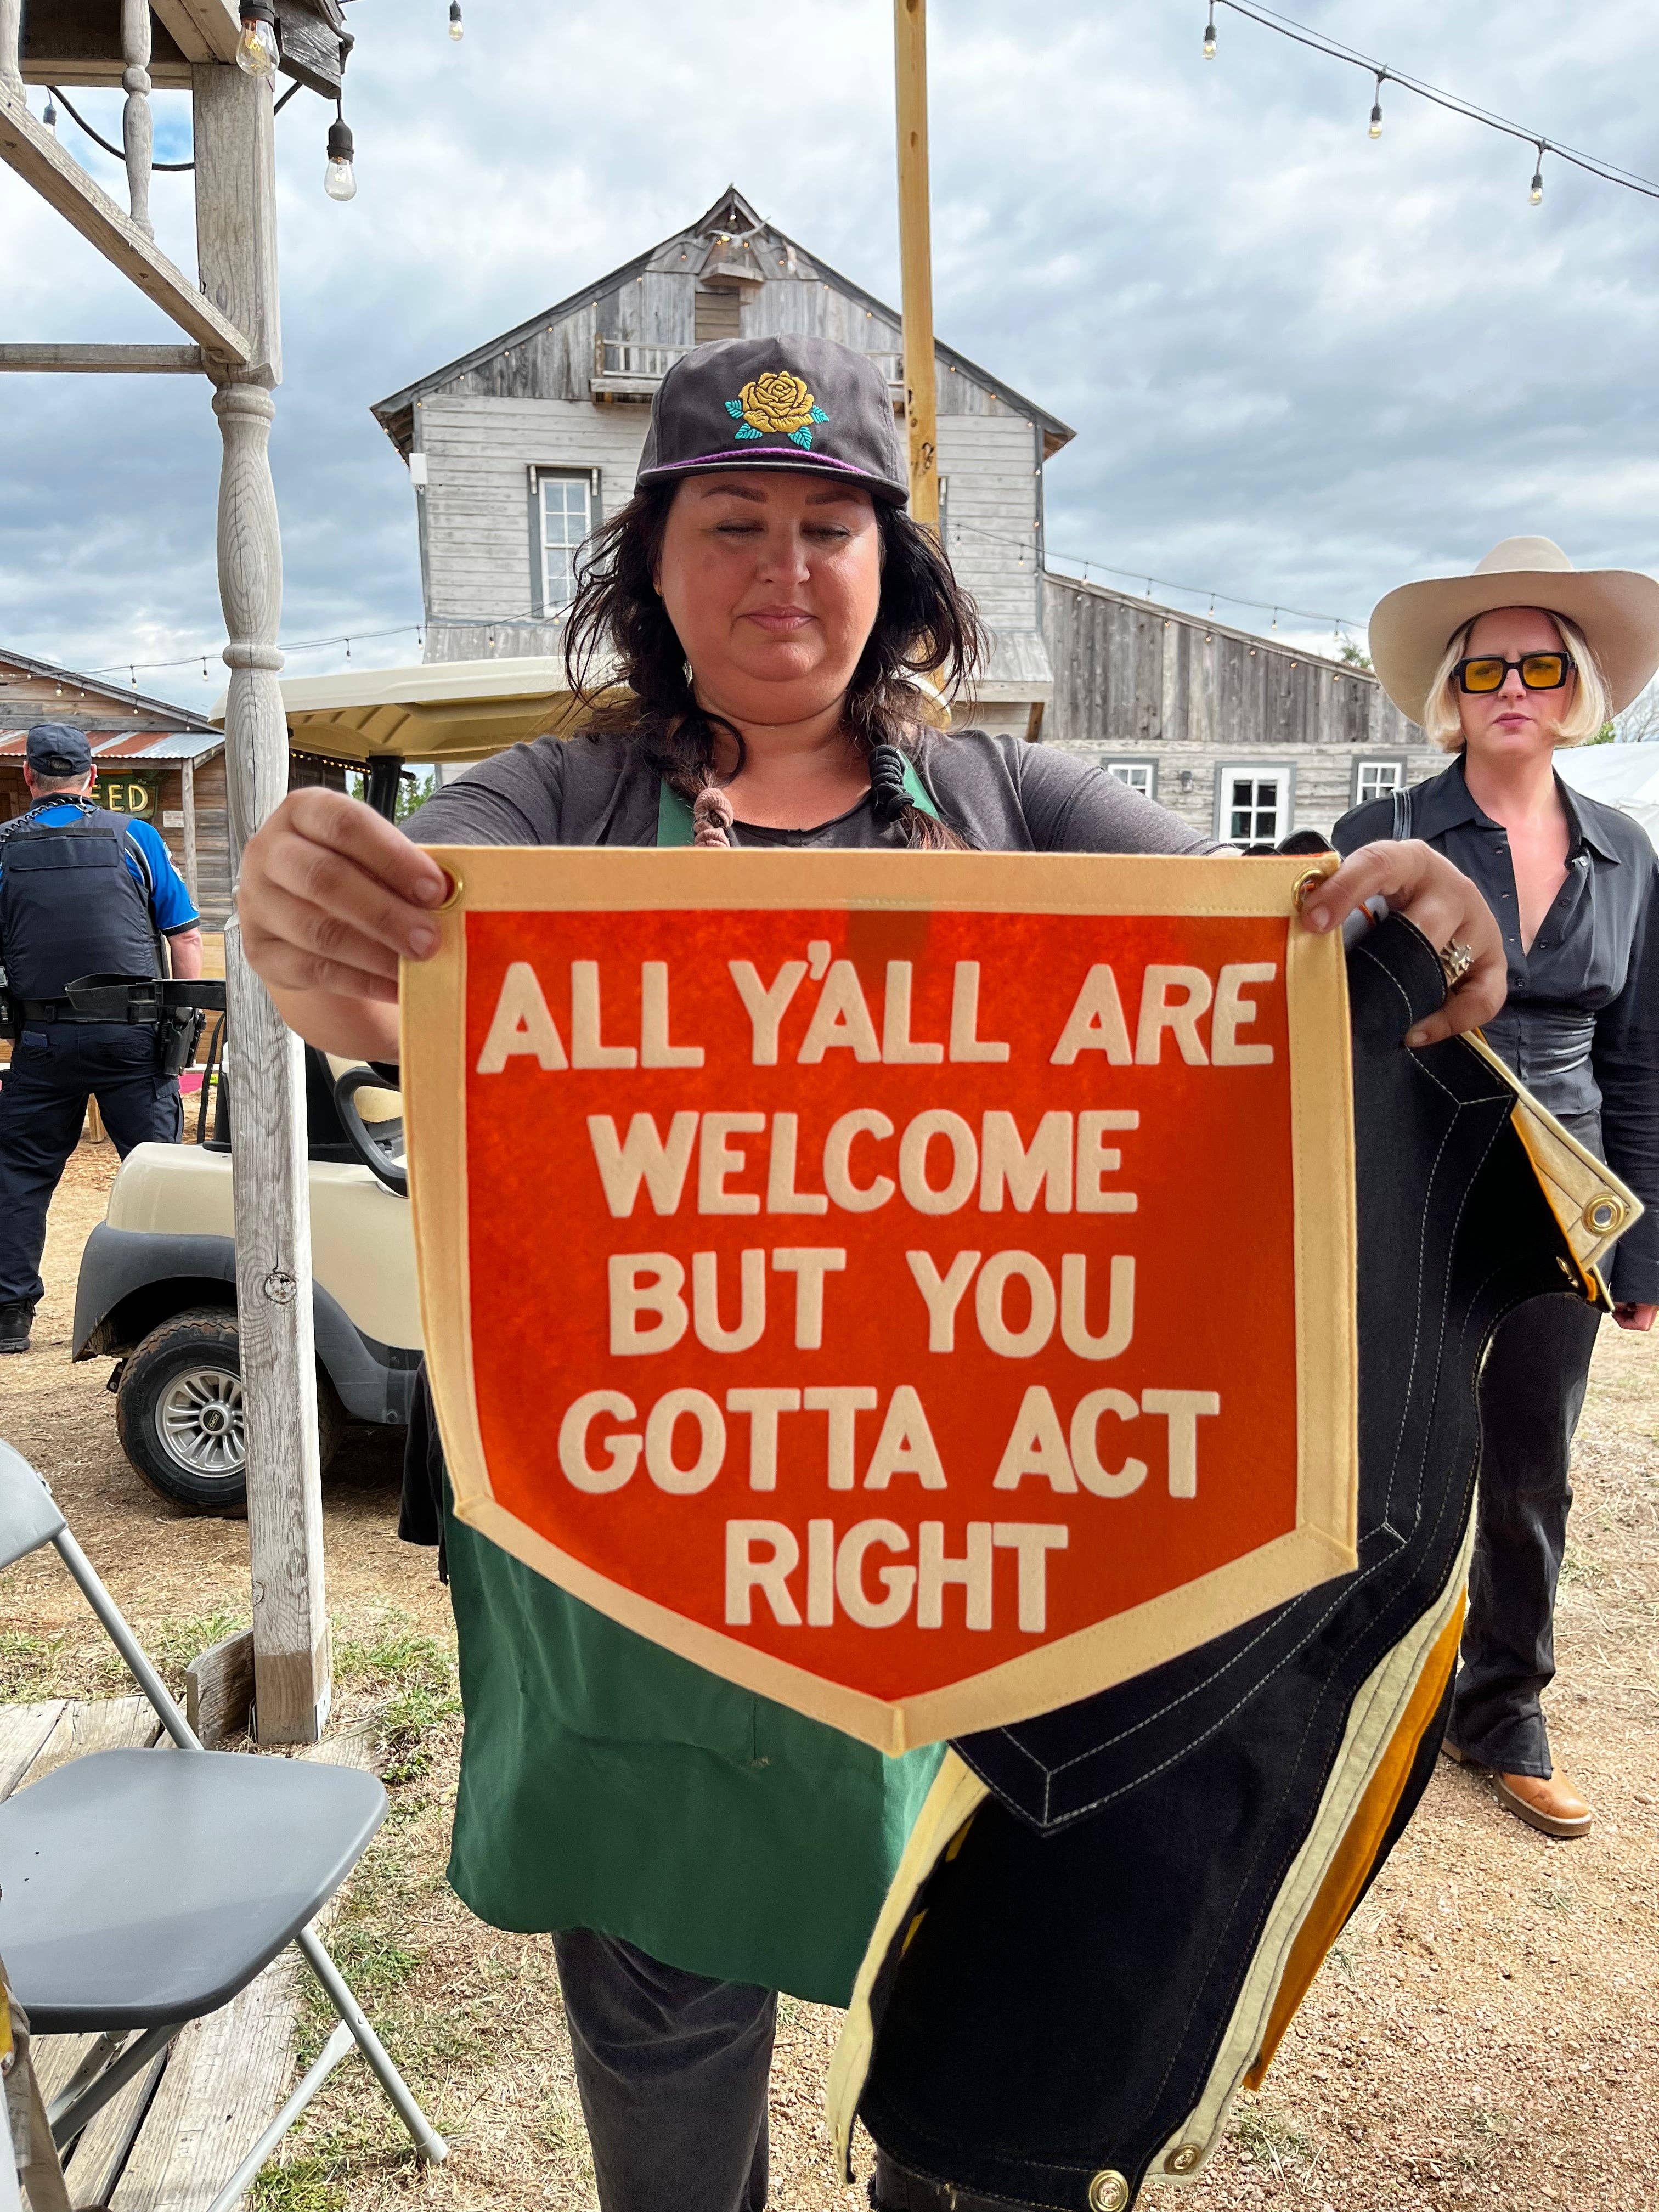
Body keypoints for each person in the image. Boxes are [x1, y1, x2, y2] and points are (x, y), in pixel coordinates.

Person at [237, 335, 1505, 2212]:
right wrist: (311, 913)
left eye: (830, 523)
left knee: (978, 2033)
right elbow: (399, 938)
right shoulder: (554, 806)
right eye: (729, 520)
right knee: (669, 2027)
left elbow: (1262, 953)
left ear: (890, 568)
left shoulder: (1013, 801)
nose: (783, 564)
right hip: (644, 1553)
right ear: (652, 570)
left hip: (968, 1535)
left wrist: (1393, 911)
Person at [1338, 536, 1659, 1842]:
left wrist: (1641, 1259)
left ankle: (1501, 1713)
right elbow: (1329, 1037)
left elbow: (1641, 1053)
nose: (1511, 686)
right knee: (1375, 1460)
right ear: (1454, 691)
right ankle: (1343, 1710)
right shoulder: (1385, 834)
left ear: (1574, 688)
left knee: (1533, 1465)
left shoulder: (1630, 853)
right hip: (1413, 1174)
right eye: (1486, 667)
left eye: (1539, 664)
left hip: (1566, 1194)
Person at [0, 725, 203, 1356]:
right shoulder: (137, 838)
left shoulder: (3, 849)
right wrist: (183, 1023)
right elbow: (186, 937)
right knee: (162, 1174)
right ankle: (179, 1307)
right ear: (94, 778)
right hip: (134, 1038)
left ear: (29, 779)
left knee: (19, 1178)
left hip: (44, 1041)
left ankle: (9, 1318)